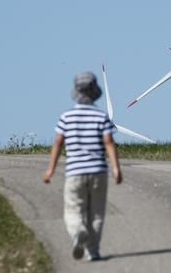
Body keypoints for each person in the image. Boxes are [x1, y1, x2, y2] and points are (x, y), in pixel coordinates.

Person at [43, 72, 122, 260]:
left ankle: (77, 231)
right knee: (96, 214)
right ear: (95, 92)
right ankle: (92, 251)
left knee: (73, 209)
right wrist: (116, 168)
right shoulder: (101, 117)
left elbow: (58, 142)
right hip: (98, 172)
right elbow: (109, 142)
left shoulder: (66, 117)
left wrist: (50, 169)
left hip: (75, 172)